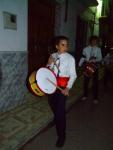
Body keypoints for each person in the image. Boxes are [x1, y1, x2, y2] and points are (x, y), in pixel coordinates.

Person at [46, 35, 77, 147]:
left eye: (67, 45)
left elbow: (73, 75)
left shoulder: (70, 58)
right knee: (52, 104)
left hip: (62, 88)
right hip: (52, 86)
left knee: (60, 112)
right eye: (63, 45)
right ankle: (57, 117)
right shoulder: (53, 55)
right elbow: (47, 70)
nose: (66, 47)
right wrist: (49, 63)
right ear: (57, 46)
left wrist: (67, 88)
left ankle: (61, 136)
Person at [79, 35, 102, 104]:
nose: (94, 42)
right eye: (93, 41)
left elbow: (100, 58)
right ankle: (85, 95)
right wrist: (79, 65)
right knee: (86, 81)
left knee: (95, 82)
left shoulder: (98, 49)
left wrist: (95, 60)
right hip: (87, 66)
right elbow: (83, 57)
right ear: (90, 41)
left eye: (96, 41)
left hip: (94, 66)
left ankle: (95, 97)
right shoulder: (85, 49)